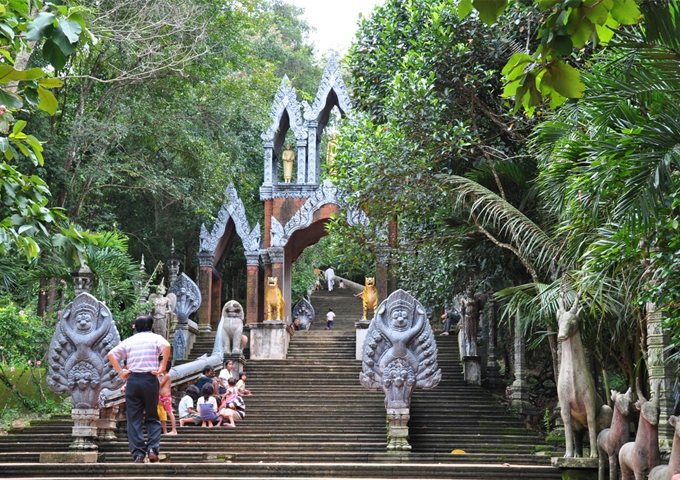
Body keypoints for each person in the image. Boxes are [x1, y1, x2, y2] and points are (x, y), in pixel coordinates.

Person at [107, 314, 171, 463]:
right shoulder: (155, 338)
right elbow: (167, 346)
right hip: (150, 379)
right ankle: (153, 448)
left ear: (136, 327)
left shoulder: (130, 341)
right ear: (151, 326)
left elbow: (111, 354)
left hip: (133, 380)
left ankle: (138, 454)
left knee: (134, 418)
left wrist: (121, 372)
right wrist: (162, 366)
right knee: (152, 416)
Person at [158, 364, 177, 435]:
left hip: (166, 398)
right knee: (162, 413)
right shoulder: (162, 376)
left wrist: (157, 375)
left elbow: (159, 385)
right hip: (161, 397)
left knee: (170, 412)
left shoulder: (167, 376)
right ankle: (165, 431)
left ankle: (174, 430)